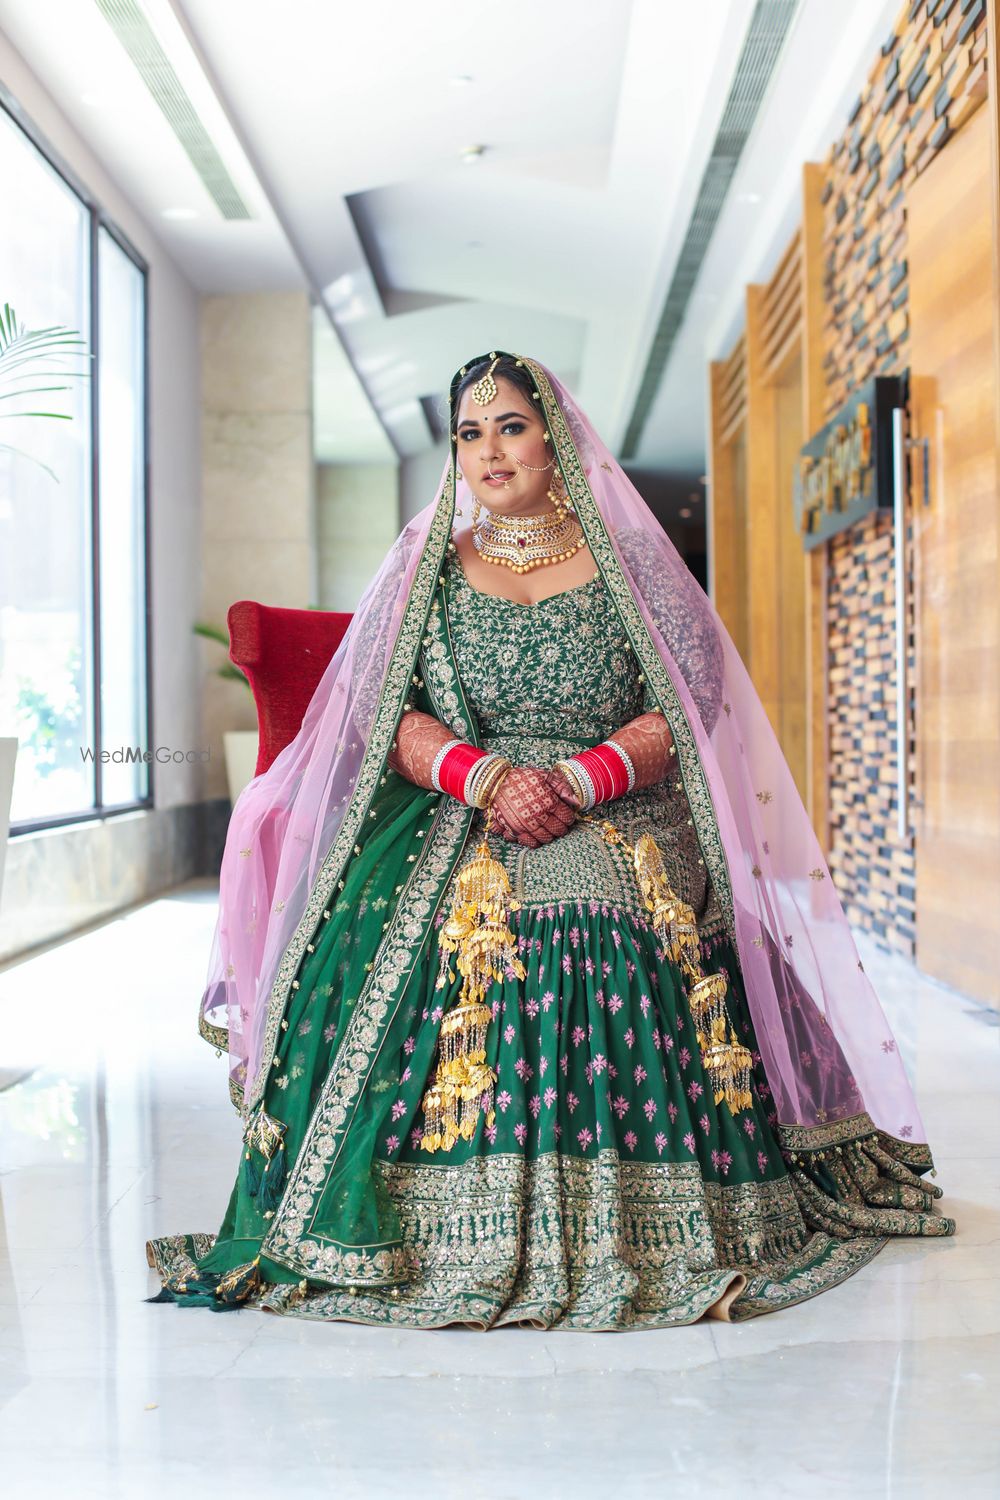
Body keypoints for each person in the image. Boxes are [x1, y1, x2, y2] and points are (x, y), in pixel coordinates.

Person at [146, 351, 953, 1330]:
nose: (490, 450)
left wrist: (577, 777)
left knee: (603, 920)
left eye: (511, 426)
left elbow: (685, 708)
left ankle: (629, 1224)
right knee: (378, 929)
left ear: (553, 436)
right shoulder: (426, 575)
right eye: (469, 433)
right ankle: (402, 1227)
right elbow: (382, 715)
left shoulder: (634, 568)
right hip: (461, 803)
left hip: (616, 801)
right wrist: (484, 775)